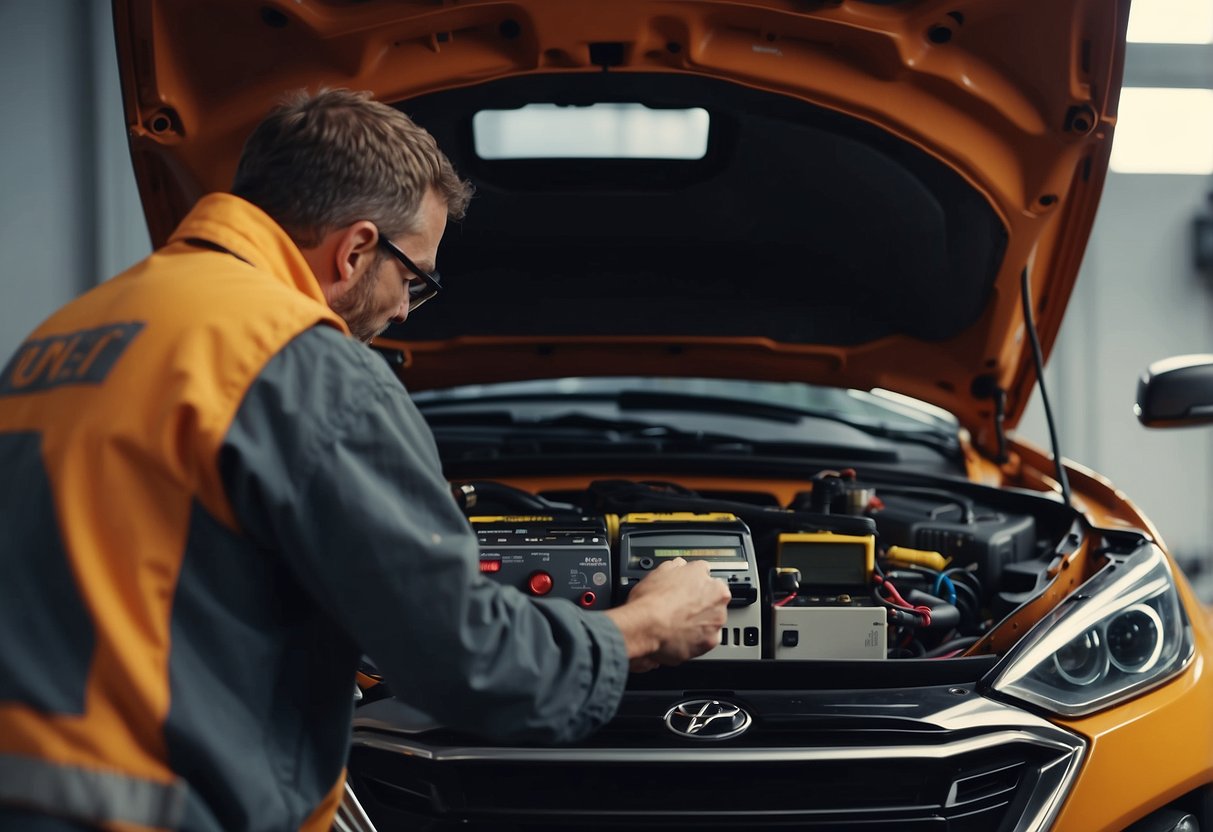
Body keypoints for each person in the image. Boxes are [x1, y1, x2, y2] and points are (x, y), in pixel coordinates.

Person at [0, 88, 731, 832]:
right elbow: (470, 664)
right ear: (354, 250)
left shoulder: (66, 336)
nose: (406, 311)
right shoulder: (296, 363)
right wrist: (644, 623)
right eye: (414, 277)